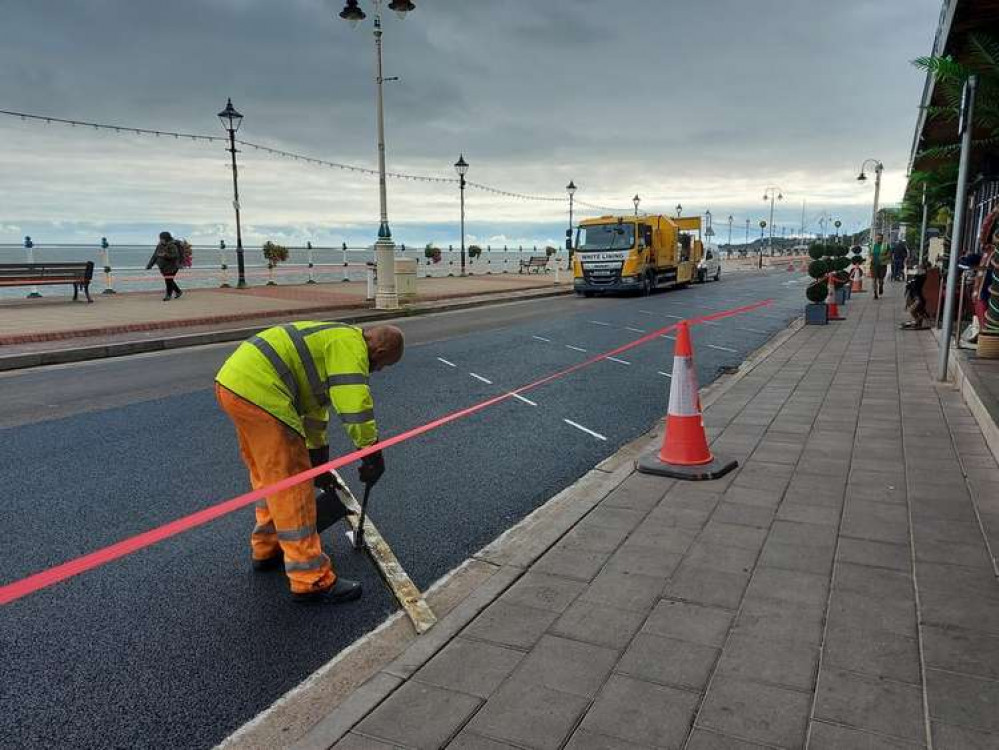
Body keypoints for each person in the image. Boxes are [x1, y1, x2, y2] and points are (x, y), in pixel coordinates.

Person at [215, 323, 404, 605]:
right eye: (382, 365)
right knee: (294, 484)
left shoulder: (332, 340)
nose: (377, 371)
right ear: (378, 349)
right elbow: (355, 406)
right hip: (261, 390)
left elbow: (315, 411)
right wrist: (372, 454)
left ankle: (268, 547)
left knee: (271, 477)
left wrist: (319, 462)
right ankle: (311, 578)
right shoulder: (350, 348)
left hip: (235, 384)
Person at [146, 231, 183, 301]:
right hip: (163, 267)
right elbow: (154, 256)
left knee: (168, 280)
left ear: (166, 238)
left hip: (173, 267)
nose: (160, 240)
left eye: (161, 238)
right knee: (169, 280)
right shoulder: (159, 245)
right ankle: (178, 292)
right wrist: (149, 265)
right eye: (160, 238)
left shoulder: (172, 245)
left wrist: (165, 255)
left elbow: (175, 255)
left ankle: (168, 295)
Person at [870, 233, 888, 299]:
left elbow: (889, 255)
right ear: (875, 239)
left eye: (880, 238)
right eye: (877, 238)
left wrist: (883, 258)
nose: (878, 240)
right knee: (874, 280)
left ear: (882, 239)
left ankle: (881, 286)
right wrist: (871, 257)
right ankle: (875, 293)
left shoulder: (886, 246)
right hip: (874, 265)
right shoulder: (872, 246)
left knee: (881, 280)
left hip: (882, 266)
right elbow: (870, 254)